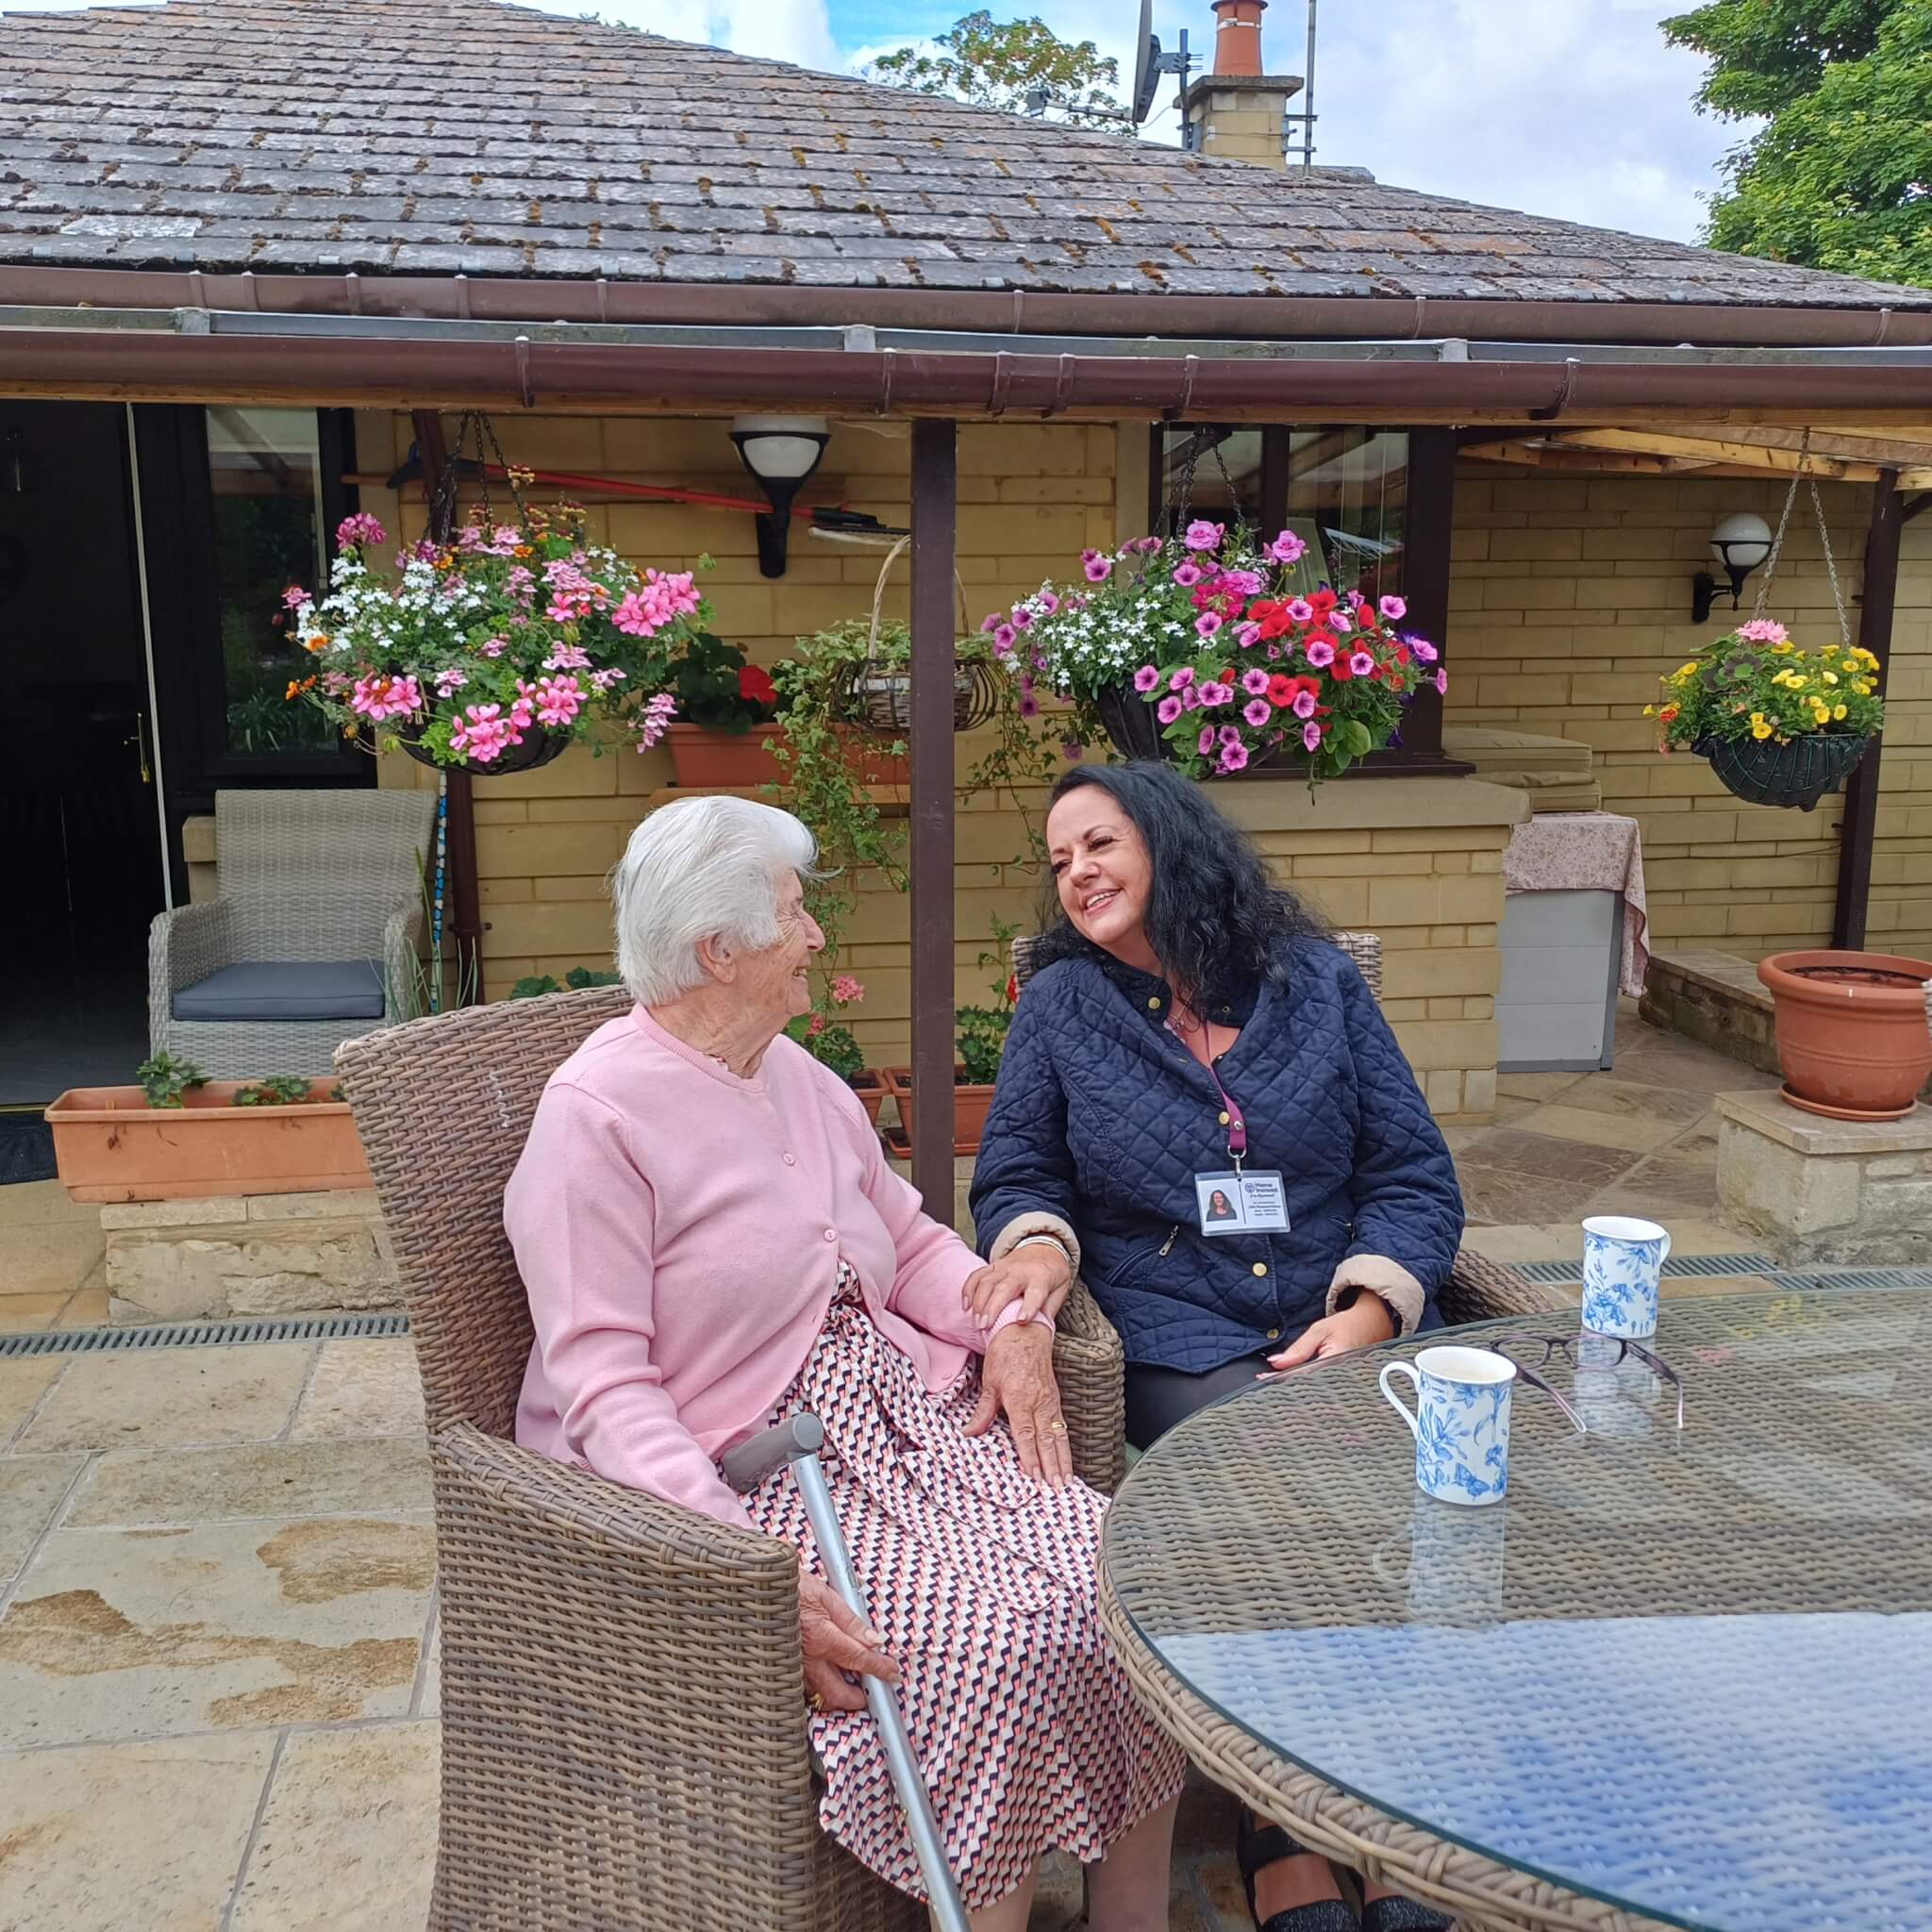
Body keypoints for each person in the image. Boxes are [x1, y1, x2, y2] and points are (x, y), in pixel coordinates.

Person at [506, 794, 1184, 1932]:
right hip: (756, 1470)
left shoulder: (792, 1072)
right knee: (990, 1646)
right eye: (792, 913)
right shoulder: (595, 1118)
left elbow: (908, 1239)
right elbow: (603, 1385)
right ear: (720, 951)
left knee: (1130, 1575)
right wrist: (741, 1567)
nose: (815, 933)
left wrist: (1004, 1319)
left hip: (907, 1420)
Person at [970, 760, 1464, 1932]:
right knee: (1283, 1483)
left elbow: (1409, 1172)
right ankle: (1282, 1821)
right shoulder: (1059, 1003)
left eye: (1098, 843)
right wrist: (1035, 1245)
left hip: (1335, 1312)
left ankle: (1386, 1805)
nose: (1076, 872)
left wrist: (1372, 1308)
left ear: (1169, 843)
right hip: (1176, 1323)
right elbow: (1017, 1171)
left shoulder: (1318, 982)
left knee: (1429, 1484)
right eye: (1059, 861)